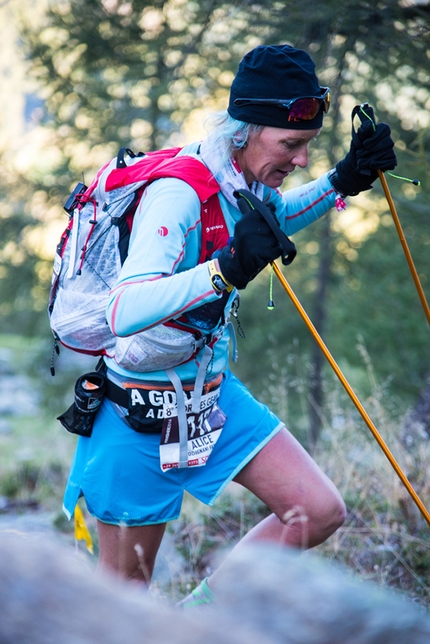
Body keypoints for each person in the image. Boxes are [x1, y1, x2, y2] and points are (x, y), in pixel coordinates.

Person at [62, 44, 396, 603]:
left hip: (209, 398)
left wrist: (344, 179)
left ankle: (195, 624)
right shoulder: (179, 194)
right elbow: (124, 311)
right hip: (136, 412)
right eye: (291, 144)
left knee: (314, 511)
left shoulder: (240, 175)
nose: (300, 159)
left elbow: (272, 219)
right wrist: (224, 271)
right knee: (121, 606)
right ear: (244, 130)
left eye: (308, 146)